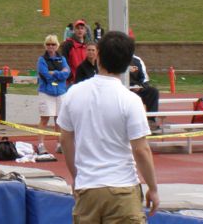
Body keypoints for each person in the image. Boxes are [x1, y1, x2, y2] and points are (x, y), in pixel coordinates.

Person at [57, 31, 160, 222]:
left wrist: (76, 176)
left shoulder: (74, 94)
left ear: (98, 56)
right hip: (122, 188)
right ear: (127, 63)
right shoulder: (130, 100)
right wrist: (153, 188)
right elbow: (141, 150)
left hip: (88, 187)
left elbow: (65, 139)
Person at [36, 34, 70, 155]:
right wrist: (59, 74)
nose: (51, 46)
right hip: (46, 92)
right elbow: (45, 75)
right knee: (44, 118)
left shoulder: (63, 59)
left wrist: (55, 72)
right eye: (48, 44)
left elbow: (67, 73)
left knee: (59, 119)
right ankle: (40, 144)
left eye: (53, 44)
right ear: (45, 46)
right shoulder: (41, 60)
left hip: (60, 92)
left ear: (57, 46)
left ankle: (59, 143)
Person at [130, 54, 160, 130]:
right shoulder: (114, 59)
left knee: (153, 91)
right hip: (120, 89)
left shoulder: (137, 60)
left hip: (136, 89)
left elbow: (145, 79)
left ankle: (151, 120)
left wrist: (140, 86)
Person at [60, 20, 88, 85]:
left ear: (85, 31)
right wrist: (70, 76)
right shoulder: (68, 44)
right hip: (72, 81)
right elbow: (64, 61)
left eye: (82, 28)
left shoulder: (87, 46)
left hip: (85, 81)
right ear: (74, 30)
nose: (80, 30)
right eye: (77, 28)